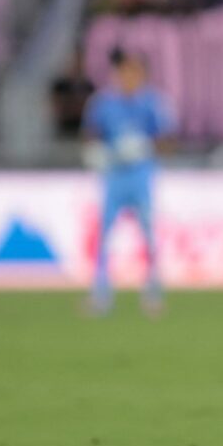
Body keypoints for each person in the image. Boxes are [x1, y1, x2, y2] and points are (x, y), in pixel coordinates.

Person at [81, 48, 167, 316]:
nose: (128, 77)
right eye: (124, 72)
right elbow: (89, 135)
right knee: (105, 235)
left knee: (148, 235)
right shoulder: (103, 103)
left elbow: (168, 139)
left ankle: (152, 291)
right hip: (114, 176)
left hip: (140, 176)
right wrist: (98, 154)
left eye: (134, 72)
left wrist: (145, 147)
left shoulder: (153, 102)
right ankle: (101, 293)